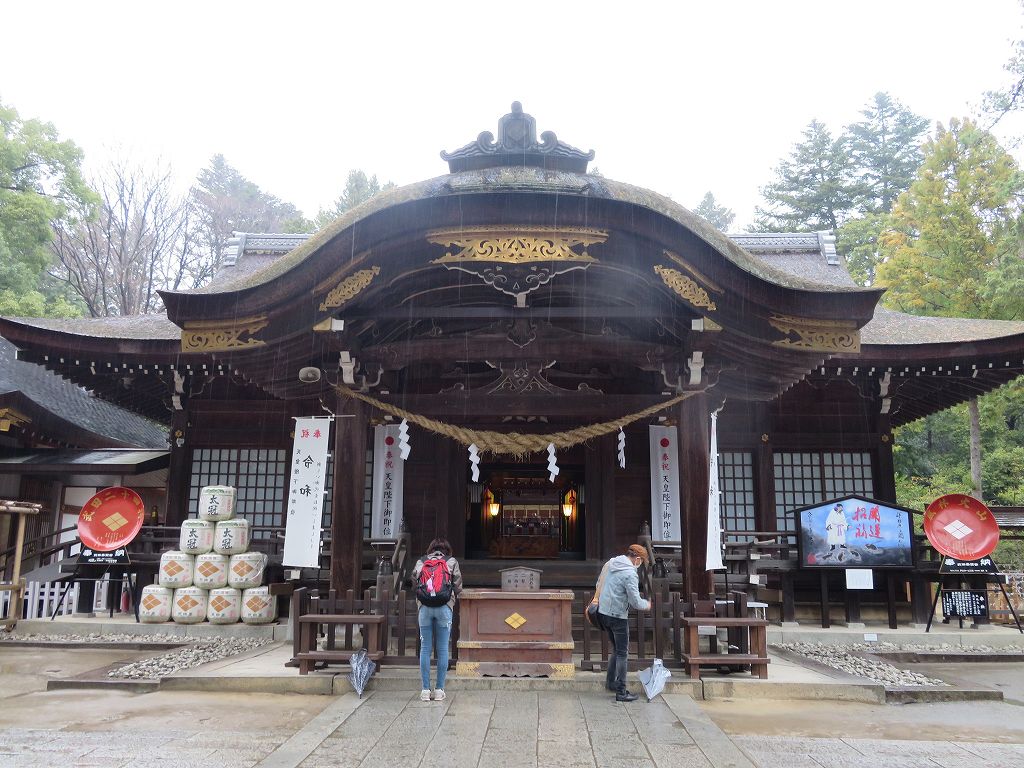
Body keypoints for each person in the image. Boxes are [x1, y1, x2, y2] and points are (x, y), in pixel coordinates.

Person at [597, 543, 651, 702]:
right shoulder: (629, 574)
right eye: (641, 562)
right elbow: (635, 601)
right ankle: (621, 691)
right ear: (637, 559)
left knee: (616, 649)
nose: (640, 565)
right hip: (618, 616)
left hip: (604, 612)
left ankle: (610, 682)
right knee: (622, 653)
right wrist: (646, 605)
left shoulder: (613, 563)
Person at [413, 537, 463, 702]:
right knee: (442, 649)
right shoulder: (451, 562)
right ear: (446, 550)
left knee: (425, 648)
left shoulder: (421, 561)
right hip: (444, 607)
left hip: (424, 608)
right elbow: (458, 586)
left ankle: (425, 690)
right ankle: (440, 689)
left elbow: (414, 582)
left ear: (431, 549)